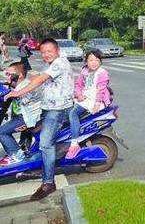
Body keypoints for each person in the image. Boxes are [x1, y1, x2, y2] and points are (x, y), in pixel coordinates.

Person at [4, 38, 74, 201]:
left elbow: (41, 79)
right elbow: (38, 80)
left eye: (49, 51)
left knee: (45, 144)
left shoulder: (59, 63)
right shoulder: (49, 65)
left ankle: (48, 183)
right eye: (43, 52)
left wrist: (18, 92)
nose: (46, 54)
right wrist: (16, 85)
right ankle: (35, 164)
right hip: (48, 108)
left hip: (58, 110)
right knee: (30, 130)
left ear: (56, 50)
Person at [66, 50, 111, 159]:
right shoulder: (84, 71)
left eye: (97, 60)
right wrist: (79, 94)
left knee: (73, 114)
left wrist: (97, 104)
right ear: (86, 61)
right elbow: (78, 85)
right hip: (84, 98)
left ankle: (74, 144)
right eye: (91, 60)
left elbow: (101, 90)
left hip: (95, 101)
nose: (94, 62)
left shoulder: (102, 73)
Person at [0, 62, 42, 165]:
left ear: (20, 76)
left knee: (2, 132)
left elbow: (21, 95)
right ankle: (23, 151)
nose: (7, 76)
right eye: (7, 73)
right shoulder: (15, 85)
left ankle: (16, 155)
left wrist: (9, 94)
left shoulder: (26, 86)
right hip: (21, 116)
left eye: (10, 74)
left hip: (28, 118)